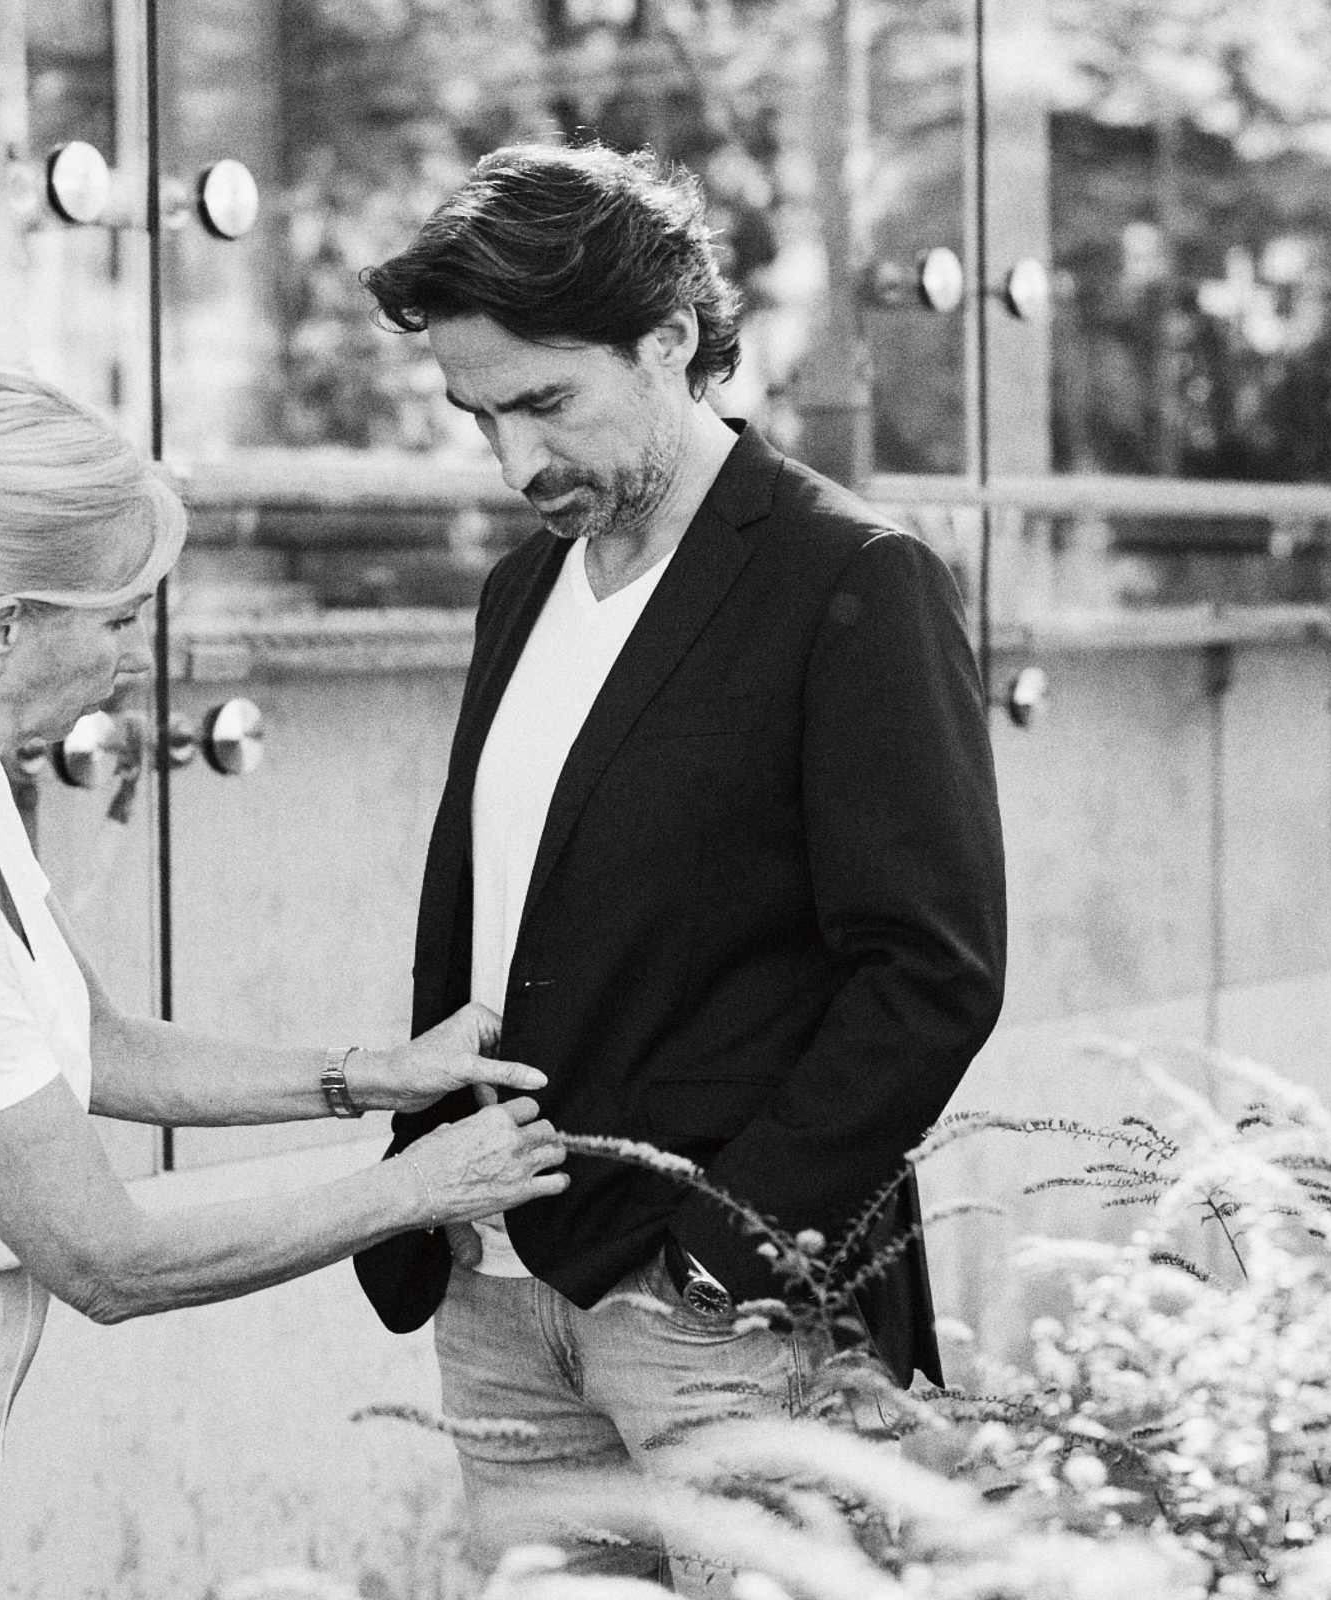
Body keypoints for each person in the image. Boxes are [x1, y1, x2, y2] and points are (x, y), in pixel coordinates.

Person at [0, 366, 568, 1600]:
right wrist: (420, 1185)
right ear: (2, 632)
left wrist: (373, 1075)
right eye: (114, 619)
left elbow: (94, 1043)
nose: (132, 656)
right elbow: (107, 1260)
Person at [350, 144, 1008, 1583]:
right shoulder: (519, 588)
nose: (516, 461)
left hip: (714, 1313)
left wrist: (723, 1252)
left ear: (668, 343)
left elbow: (930, 970)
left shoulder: (850, 576)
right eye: (477, 415)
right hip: (494, 1279)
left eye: (544, 402)